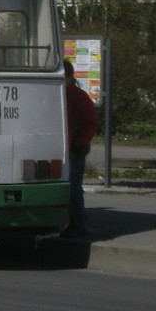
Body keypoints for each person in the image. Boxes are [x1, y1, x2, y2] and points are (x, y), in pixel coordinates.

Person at [63, 59, 98, 237]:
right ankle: (75, 222)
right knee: (72, 188)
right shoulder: (77, 95)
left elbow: (90, 125)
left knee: (73, 188)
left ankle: (78, 223)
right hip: (72, 148)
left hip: (74, 150)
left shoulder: (76, 97)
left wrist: (78, 146)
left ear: (68, 77)